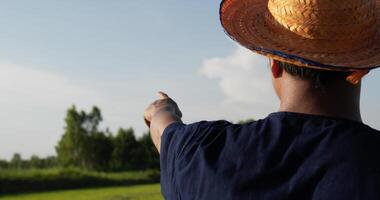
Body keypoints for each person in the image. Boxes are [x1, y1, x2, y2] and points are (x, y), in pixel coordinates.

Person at [144, 0, 380, 199]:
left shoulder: (203, 154)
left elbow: (164, 131)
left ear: (274, 64)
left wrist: (162, 110)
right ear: (362, 68)